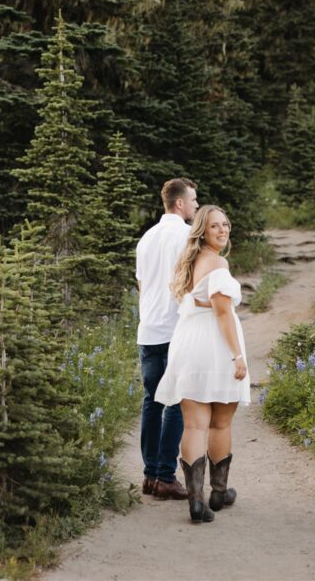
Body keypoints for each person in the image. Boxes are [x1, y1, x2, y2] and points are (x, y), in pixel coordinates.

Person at [155, 205, 250, 523]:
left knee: (195, 424)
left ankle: (197, 501)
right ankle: (218, 492)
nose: (223, 230)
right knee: (220, 423)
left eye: (226, 224)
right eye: (215, 227)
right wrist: (237, 355)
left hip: (188, 345)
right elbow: (222, 313)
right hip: (214, 347)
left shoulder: (190, 262)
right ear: (202, 232)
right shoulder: (218, 264)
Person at [136, 177, 199, 499]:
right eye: (193, 200)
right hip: (176, 330)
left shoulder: (146, 238)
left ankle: (149, 476)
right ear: (179, 203)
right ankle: (164, 476)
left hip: (148, 330)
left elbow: (142, 285)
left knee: (152, 401)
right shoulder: (187, 236)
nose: (196, 205)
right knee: (175, 402)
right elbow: (192, 284)